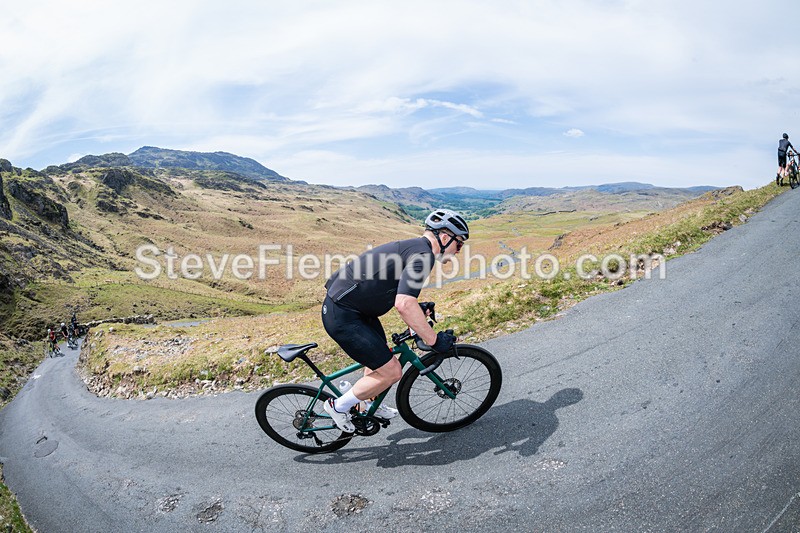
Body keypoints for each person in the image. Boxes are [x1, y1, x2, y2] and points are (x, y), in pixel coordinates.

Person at [321, 209, 469, 432]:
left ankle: (365, 404)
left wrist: (418, 310)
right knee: (392, 372)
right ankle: (338, 407)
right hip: (344, 315)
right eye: (459, 244)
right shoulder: (423, 256)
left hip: (356, 310)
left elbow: (390, 288)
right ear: (445, 237)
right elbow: (404, 303)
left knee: (379, 360)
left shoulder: (415, 248)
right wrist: (435, 341)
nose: (458, 251)